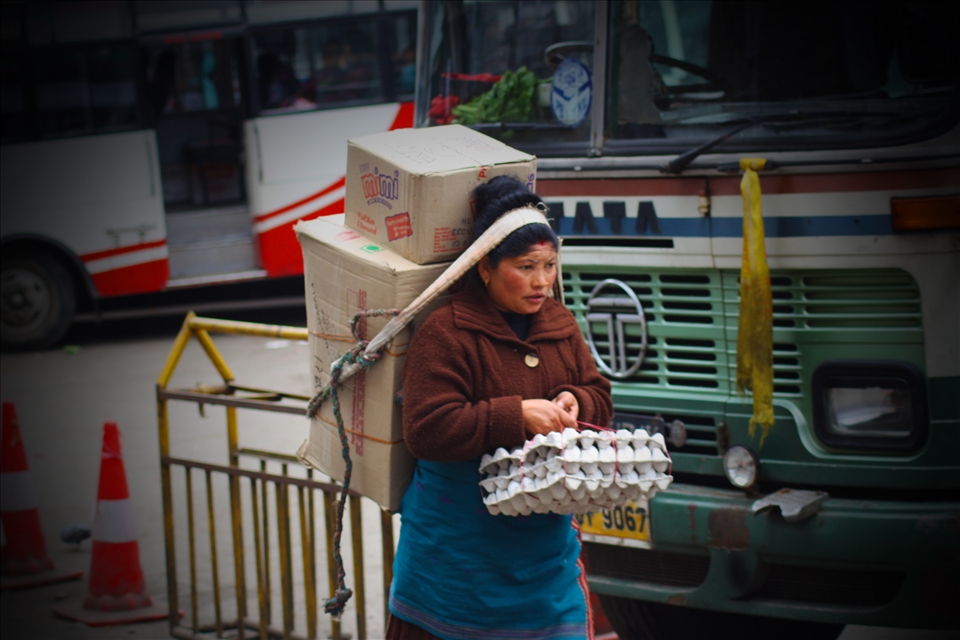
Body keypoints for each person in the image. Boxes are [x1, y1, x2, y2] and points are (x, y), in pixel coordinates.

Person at [387, 175, 613, 640]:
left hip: (543, 560)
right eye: (526, 266)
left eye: (550, 265)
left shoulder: (560, 323)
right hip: (457, 558)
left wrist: (578, 399)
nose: (542, 281)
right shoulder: (447, 331)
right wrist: (517, 415)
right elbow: (426, 428)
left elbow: (599, 395)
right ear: (485, 268)